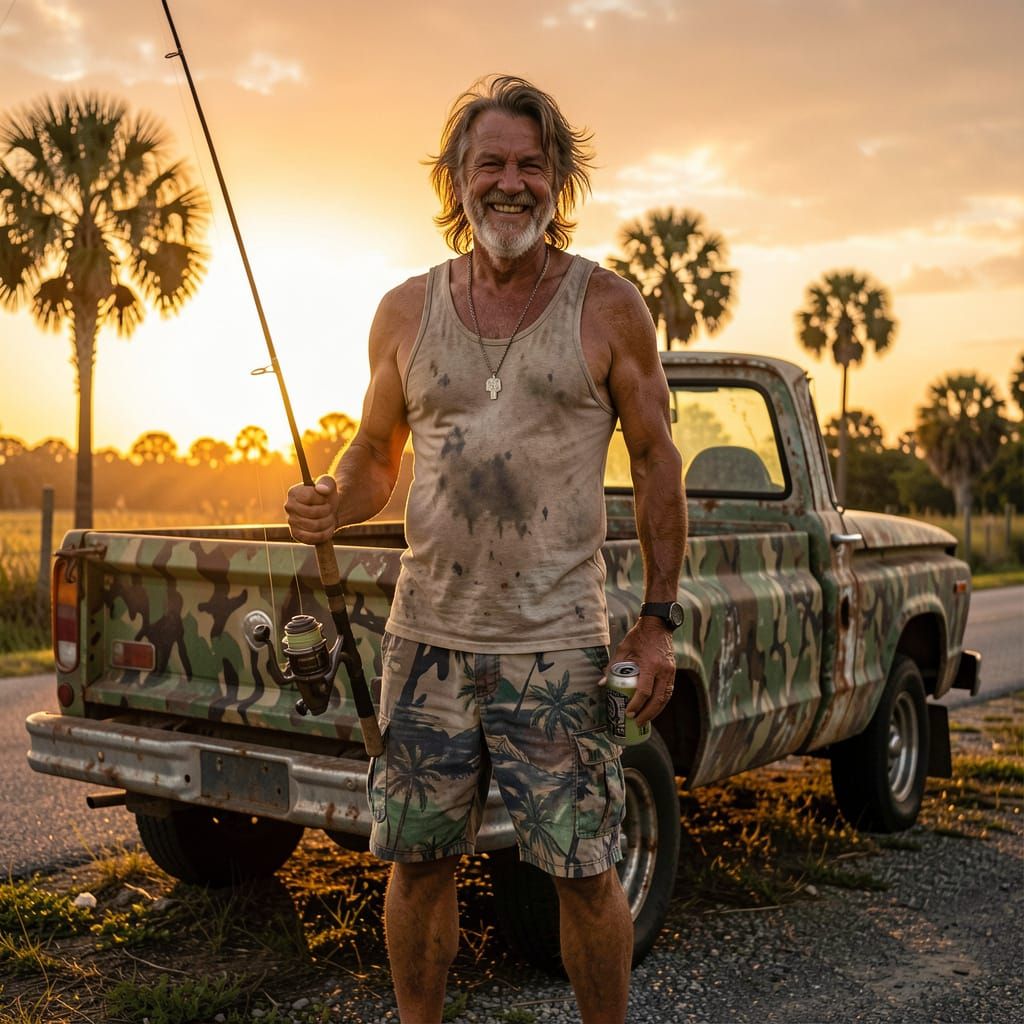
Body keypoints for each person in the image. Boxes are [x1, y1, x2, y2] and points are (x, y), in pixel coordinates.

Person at [285, 74, 686, 1024]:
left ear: (559, 181)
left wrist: (656, 620)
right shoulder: (404, 310)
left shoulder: (607, 307)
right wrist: (335, 497)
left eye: (530, 165)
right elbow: (375, 455)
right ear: (456, 180)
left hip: (559, 647)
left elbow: (656, 459)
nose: (511, 183)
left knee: (583, 870)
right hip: (427, 641)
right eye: (490, 164)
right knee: (417, 864)